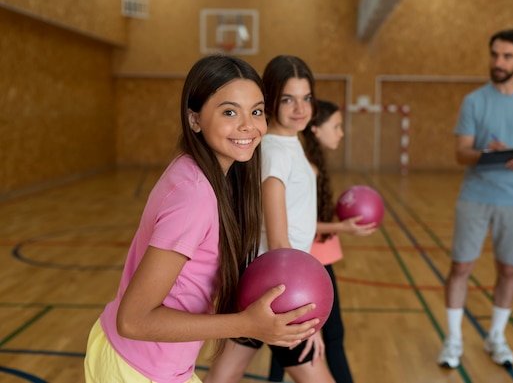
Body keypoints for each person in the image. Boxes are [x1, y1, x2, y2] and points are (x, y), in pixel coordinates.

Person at [84, 55, 320, 383]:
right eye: (229, 112)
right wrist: (247, 324)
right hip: (138, 368)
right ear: (194, 119)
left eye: (256, 111)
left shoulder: (200, 173)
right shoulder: (193, 195)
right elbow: (134, 320)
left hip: (147, 360)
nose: (248, 126)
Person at [203, 55, 335, 383]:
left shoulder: (289, 146)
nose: (300, 108)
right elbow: (279, 242)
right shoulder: (275, 151)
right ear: (271, 99)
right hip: (278, 290)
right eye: (288, 99)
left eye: (306, 98)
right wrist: (309, 318)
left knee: (225, 375)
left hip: (262, 281)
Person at [437, 29, 513, 369]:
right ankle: (453, 340)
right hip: (475, 195)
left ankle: (496, 337)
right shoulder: (474, 101)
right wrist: (486, 152)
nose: (498, 62)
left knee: (508, 270)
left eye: (506, 56)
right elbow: (461, 153)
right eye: (494, 55)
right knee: (460, 267)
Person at [267, 100, 377, 383]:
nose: (341, 133)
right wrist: (342, 226)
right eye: (336, 127)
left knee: (280, 342)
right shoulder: (300, 163)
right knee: (328, 335)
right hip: (308, 263)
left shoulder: (309, 163)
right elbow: (294, 222)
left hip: (311, 261)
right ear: (315, 129)